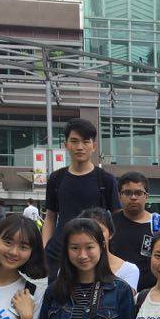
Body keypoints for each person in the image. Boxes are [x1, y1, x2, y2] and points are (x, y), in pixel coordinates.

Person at [41, 118, 120, 280]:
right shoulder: (56, 178)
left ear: (94, 146)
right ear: (66, 145)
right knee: (57, 293)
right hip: (59, 253)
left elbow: (116, 218)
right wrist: (44, 248)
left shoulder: (106, 180)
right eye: (74, 141)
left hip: (92, 254)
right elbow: (50, 217)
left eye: (85, 142)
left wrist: (108, 249)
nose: (80, 147)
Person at [111, 172, 160, 292]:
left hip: (150, 293)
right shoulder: (110, 223)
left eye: (139, 193)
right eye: (128, 193)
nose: (133, 197)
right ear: (119, 196)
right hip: (116, 291)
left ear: (146, 196)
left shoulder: (158, 224)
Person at [79, 208, 140, 292]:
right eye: (89, 230)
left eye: (100, 230)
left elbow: (125, 298)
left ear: (111, 233)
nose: (94, 236)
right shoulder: (70, 267)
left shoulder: (129, 270)